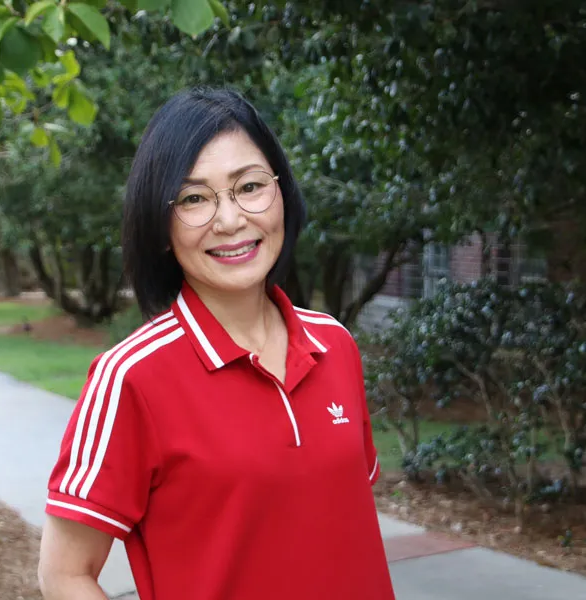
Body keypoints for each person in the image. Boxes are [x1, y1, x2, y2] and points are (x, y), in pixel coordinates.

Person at [38, 87, 396, 600]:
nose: (229, 220)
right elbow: (64, 574)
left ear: (281, 194)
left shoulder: (334, 344)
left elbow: (342, 519)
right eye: (194, 198)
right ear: (161, 228)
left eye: (249, 187)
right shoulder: (130, 378)